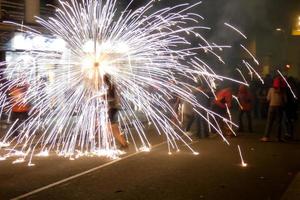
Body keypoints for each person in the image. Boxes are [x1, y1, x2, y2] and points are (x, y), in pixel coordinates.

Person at [103, 74, 128, 149]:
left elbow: (112, 98)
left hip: (113, 109)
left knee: (112, 128)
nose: (103, 81)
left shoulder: (111, 86)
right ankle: (123, 142)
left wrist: (104, 97)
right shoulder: (111, 86)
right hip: (113, 108)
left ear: (106, 80)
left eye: (104, 79)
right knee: (112, 128)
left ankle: (124, 143)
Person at [261, 77, 287, 142]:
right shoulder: (283, 90)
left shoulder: (271, 89)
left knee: (269, 122)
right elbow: (285, 100)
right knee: (279, 123)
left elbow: (268, 99)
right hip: (280, 107)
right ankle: (278, 137)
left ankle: (266, 137)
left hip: (272, 106)